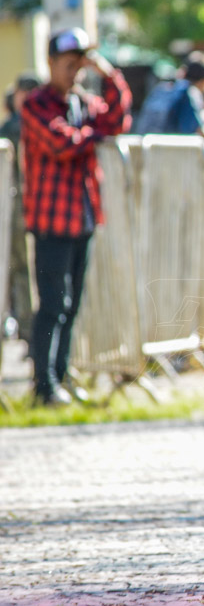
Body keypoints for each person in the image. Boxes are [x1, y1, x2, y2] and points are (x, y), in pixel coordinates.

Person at [20, 28, 132, 405]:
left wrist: (108, 73)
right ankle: (44, 385)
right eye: (69, 64)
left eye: (80, 65)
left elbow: (117, 119)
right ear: (50, 62)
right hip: (52, 221)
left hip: (83, 217)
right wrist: (93, 135)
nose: (75, 72)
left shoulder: (83, 102)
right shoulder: (36, 104)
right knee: (54, 305)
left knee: (73, 305)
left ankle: (63, 377)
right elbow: (60, 143)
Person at [0, 72, 42, 352]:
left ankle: (28, 330)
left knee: (24, 271)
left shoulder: (21, 124)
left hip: (21, 207)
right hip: (17, 205)